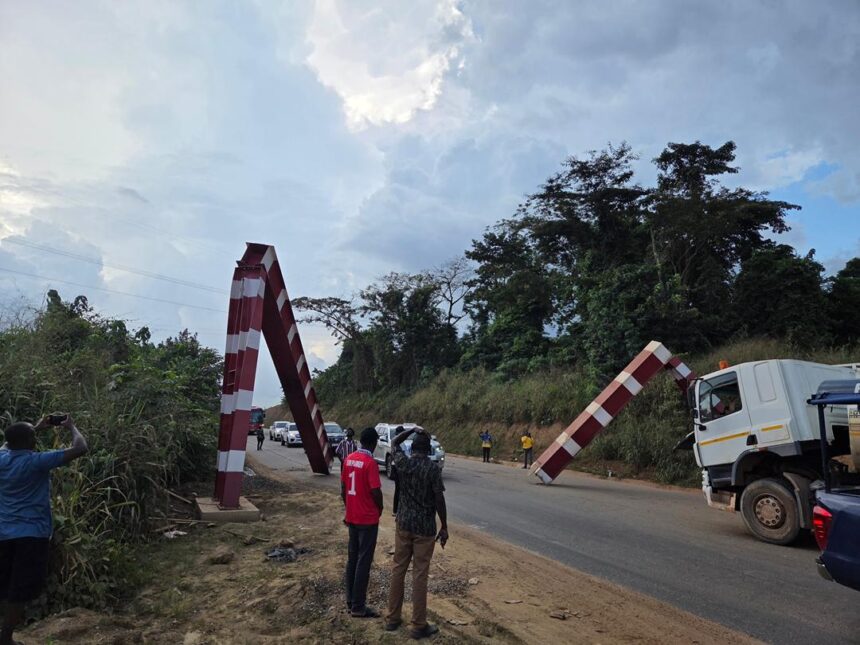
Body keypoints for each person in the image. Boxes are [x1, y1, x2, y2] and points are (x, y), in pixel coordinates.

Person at [1, 414, 89, 645]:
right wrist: (71, 426)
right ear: (31, 441)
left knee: (3, 584)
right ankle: (6, 638)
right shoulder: (36, 461)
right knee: (19, 590)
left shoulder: (2, 457)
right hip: (31, 534)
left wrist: (34, 429)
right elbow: (81, 448)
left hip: (3, 534)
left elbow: (9, 444)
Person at [385, 427, 447, 640]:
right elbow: (439, 498)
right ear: (428, 449)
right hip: (424, 529)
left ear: (413, 448)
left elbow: (394, 442)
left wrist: (411, 430)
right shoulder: (432, 470)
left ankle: (392, 618)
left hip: (403, 525)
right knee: (419, 575)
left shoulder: (404, 463)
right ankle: (418, 624)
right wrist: (444, 526)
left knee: (398, 569)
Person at [341, 427, 383, 618]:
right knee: (363, 562)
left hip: (352, 517)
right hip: (367, 519)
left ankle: (350, 601)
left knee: (352, 559)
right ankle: (358, 606)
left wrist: (349, 507)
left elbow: (343, 489)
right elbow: (376, 491)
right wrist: (380, 509)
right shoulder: (370, 463)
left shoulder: (349, 459)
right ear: (373, 443)